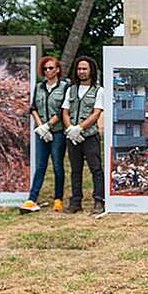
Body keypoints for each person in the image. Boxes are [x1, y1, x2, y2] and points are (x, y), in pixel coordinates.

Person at [22, 56, 69, 212]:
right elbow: (33, 107)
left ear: (57, 69)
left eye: (50, 68)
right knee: (40, 166)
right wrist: (41, 127)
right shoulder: (39, 87)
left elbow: (63, 110)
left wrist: (49, 126)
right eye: (45, 69)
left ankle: (58, 199)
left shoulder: (64, 87)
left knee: (57, 165)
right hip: (41, 133)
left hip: (57, 133)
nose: (47, 71)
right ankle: (32, 199)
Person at [62, 55, 105, 215]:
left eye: (84, 68)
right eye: (79, 69)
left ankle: (99, 201)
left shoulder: (99, 91)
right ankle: (76, 202)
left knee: (96, 169)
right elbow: (65, 111)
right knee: (75, 170)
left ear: (91, 71)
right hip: (72, 137)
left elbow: (96, 113)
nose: (81, 72)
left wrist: (79, 128)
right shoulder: (71, 90)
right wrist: (71, 130)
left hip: (90, 137)